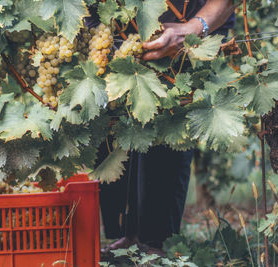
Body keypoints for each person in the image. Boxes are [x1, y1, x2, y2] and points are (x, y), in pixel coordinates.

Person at [96, 0, 236, 254]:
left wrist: (195, 27)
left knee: (169, 120)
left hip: (188, 36)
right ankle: (131, 234)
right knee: (126, 126)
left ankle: (155, 242)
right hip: (128, 35)